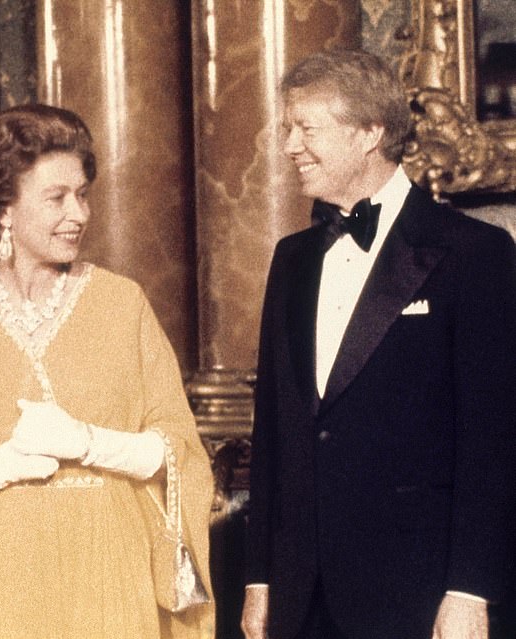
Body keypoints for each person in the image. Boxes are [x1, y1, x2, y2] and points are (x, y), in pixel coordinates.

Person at [0, 104, 214, 639]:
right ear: (5, 210)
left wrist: (88, 443)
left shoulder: (122, 304)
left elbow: (179, 452)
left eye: (83, 194)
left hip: (107, 570)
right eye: (57, 197)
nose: (79, 213)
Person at [241, 49, 516, 639]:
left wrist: (471, 589)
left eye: (306, 128)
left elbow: (493, 441)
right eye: (289, 127)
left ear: (370, 133)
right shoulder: (291, 260)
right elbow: (275, 432)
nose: (289, 145)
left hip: (418, 595)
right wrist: (259, 578)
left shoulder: (476, 255)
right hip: (300, 594)